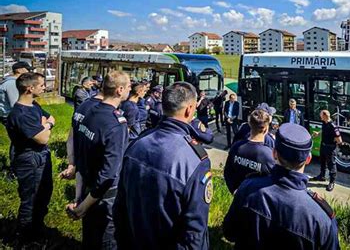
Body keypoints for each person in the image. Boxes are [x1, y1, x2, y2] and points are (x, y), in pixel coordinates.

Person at [113, 82, 212, 249]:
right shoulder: (196, 160)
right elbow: (195, 231)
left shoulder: (137, 143)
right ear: (189, 109)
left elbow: (120, 206)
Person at [223, 123, 339, 250]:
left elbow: (229, 233)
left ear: (274, 153)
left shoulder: (248, 188)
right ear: (308, 159)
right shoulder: (321, 218)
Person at [66, 71, 131, 249]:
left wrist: (81, 198)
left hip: (88, 186)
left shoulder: (90, 110)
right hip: (104, 196)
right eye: (128, 86)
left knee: (90, 237)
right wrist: (83, 207)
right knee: (107, 240)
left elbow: (79, 150)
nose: (130, 89)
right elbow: (109, 174)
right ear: (119, 90)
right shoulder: (116, 124)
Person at [6, 72, 55, 244]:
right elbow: (43, 138)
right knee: (31, 200)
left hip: (40, 156)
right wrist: (46, 126)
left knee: (43, 195)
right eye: (41, 85)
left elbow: (51, 118)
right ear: (29, 88)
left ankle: (37, 229)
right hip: (29, 160)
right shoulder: (20, 114)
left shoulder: (33, 105)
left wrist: (44, 125)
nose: (44, 87)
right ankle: (24, 238)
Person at [224, 109, 276, 194]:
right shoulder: (269, 155)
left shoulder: (236, 147)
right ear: (266, 129)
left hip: (239, 197)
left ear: (250, 124)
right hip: (259, 200)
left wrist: (234, 191)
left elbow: (228, 172)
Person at [312, 110, 342, 192]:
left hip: (330, 148)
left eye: (321, 115)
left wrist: (333, 143)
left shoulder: (333, 126)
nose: (320, 117)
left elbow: (339, 140)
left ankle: (332, 182)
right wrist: (318, 133)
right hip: (323, 145)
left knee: (331, 165)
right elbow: (324, 130)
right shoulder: (324, 123)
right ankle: (322, 176)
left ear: (325, 116)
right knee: (322, 162)